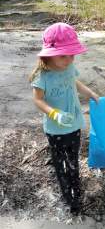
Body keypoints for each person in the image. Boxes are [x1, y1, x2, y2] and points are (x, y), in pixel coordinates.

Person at [30, 22, 99, 213]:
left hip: (74, 124)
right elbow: (37, 100)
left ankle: (76, 189)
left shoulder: (69, 68)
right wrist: (53, 113)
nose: (69, 59)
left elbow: (75, 82)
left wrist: (90, 93)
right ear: (49, 54)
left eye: (72, 55)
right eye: (63, 55)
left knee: (73, 159)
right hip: (55, 129)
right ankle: (66, 194)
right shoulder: (42, 76)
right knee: (59, 161)